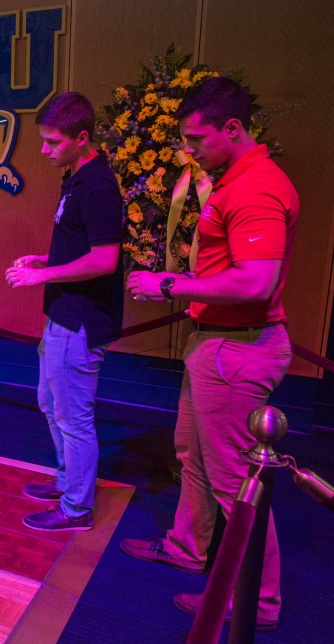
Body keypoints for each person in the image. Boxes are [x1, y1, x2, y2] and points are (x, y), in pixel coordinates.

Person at [121, 77, 298, 631]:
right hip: (218, 343)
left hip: (238, 348)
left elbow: (254, 284)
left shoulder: (256, 188)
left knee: (233, 480)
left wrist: (169, 285)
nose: (189, 151)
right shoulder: (236, 180)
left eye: (197, 139)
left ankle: (256, 601)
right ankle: (186, 547)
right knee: (193, 457)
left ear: (233, 129)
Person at [4, 91, 124, 532]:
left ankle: (77, 508)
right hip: (64, 315)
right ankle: (68, 480)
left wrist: (42, 277)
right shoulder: (75, 176)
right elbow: (81, 247)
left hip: (81, 321)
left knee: (74, 418)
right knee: (50, 404)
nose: (44, 149)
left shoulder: (96, 185)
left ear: (82, 138)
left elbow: (105, 259)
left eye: (52, 142)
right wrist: (45, 261)